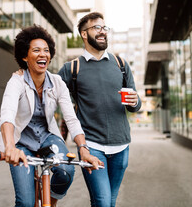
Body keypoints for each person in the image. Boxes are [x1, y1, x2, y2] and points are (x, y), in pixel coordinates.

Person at [0, 25, 101, 207]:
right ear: (24, 56)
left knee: (66, 170)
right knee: (26, 203)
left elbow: (71, 118)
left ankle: (50, 202)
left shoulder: (57, 82)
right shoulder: (17, 82)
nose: (42, 54)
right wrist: (10, 147)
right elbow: (7, 115)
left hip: (47, 137)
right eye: (36, 50)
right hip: (21, 142)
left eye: (46, 50)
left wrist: (83, 149)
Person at [58, 12, 141, 207]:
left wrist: (135, 101)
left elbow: (135, 105)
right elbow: (48, 92)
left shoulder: (120, 65)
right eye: (97, 28)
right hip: (91, 146)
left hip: (121, 146)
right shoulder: (72, 69)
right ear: (84, 34)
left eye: (105, 28)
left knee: (108, 202)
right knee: (103, 202)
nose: (103, 32)